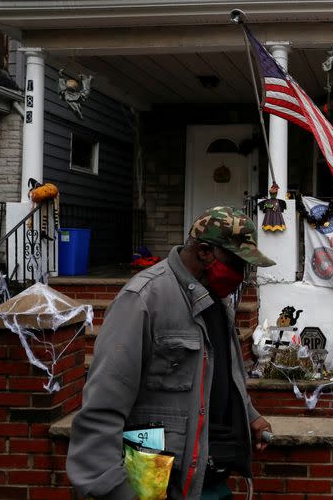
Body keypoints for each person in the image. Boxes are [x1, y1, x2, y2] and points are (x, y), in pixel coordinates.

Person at [67, 206, 276, 500]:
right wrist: (113, 489)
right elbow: (102, 407)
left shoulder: (216, 301)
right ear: (205, 252)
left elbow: (217, 376)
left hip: (211, 481)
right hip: (162, 489)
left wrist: (250, 415)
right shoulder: (143, 300)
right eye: (237, 264)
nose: (243, 276)